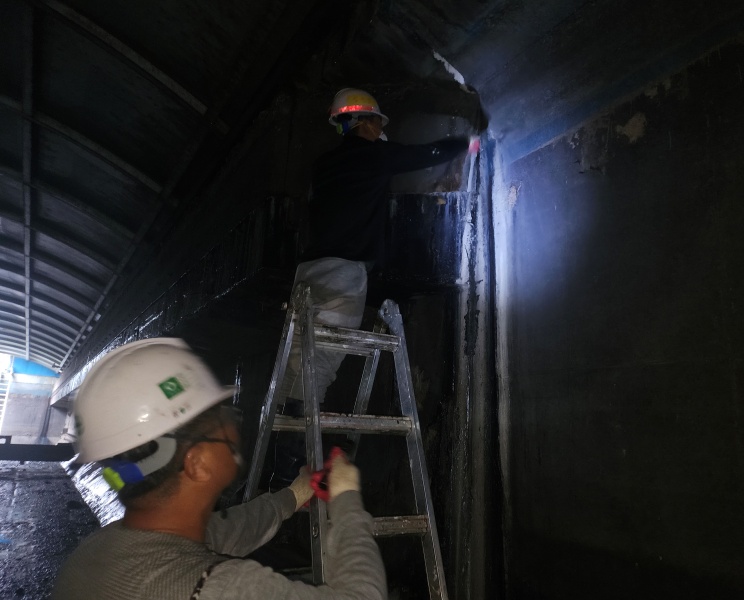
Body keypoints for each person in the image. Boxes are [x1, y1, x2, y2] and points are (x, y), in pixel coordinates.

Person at [52, 337, 387, 600]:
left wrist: (294, 495)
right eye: (224, 418)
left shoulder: (94, 553)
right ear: (197, 462)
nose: (234, 426)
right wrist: (346, 500)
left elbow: (224, 532)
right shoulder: (219, 591)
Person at [273, 87, 476, 487]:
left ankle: (281, 463)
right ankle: (291, 468)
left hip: (308, 272)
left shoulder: (325, 164)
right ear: (365, 122)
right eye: (378, 123)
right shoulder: (374, 156)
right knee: (320, 365)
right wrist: (466, 143)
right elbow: (426, 154)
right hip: (342, 273)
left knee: (298, 361)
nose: (382, 130)